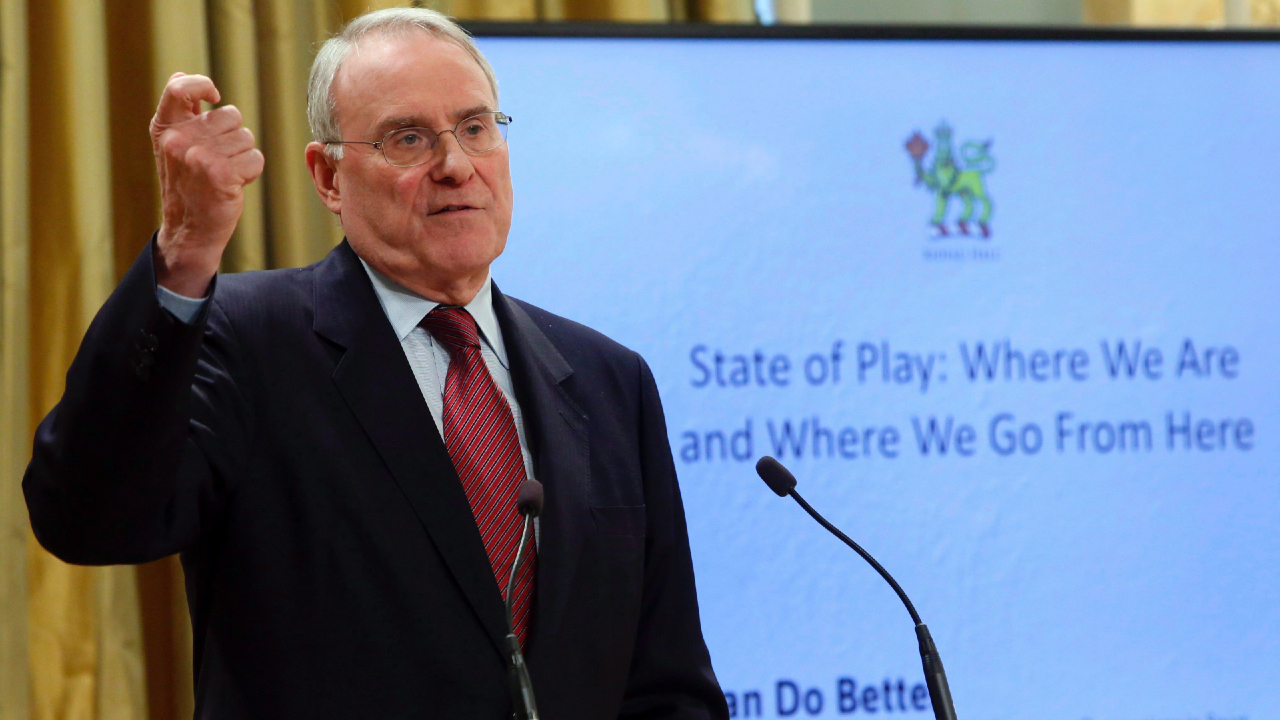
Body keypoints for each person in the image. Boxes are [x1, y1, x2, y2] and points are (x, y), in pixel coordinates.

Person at [24, 8, 729, 719]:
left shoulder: (608, 380)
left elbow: (667, 684)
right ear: (328, 177)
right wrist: (184, 249)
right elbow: (88, 518)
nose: (456, 166)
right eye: (408, 138)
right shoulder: (244, 339)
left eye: (476, 128)